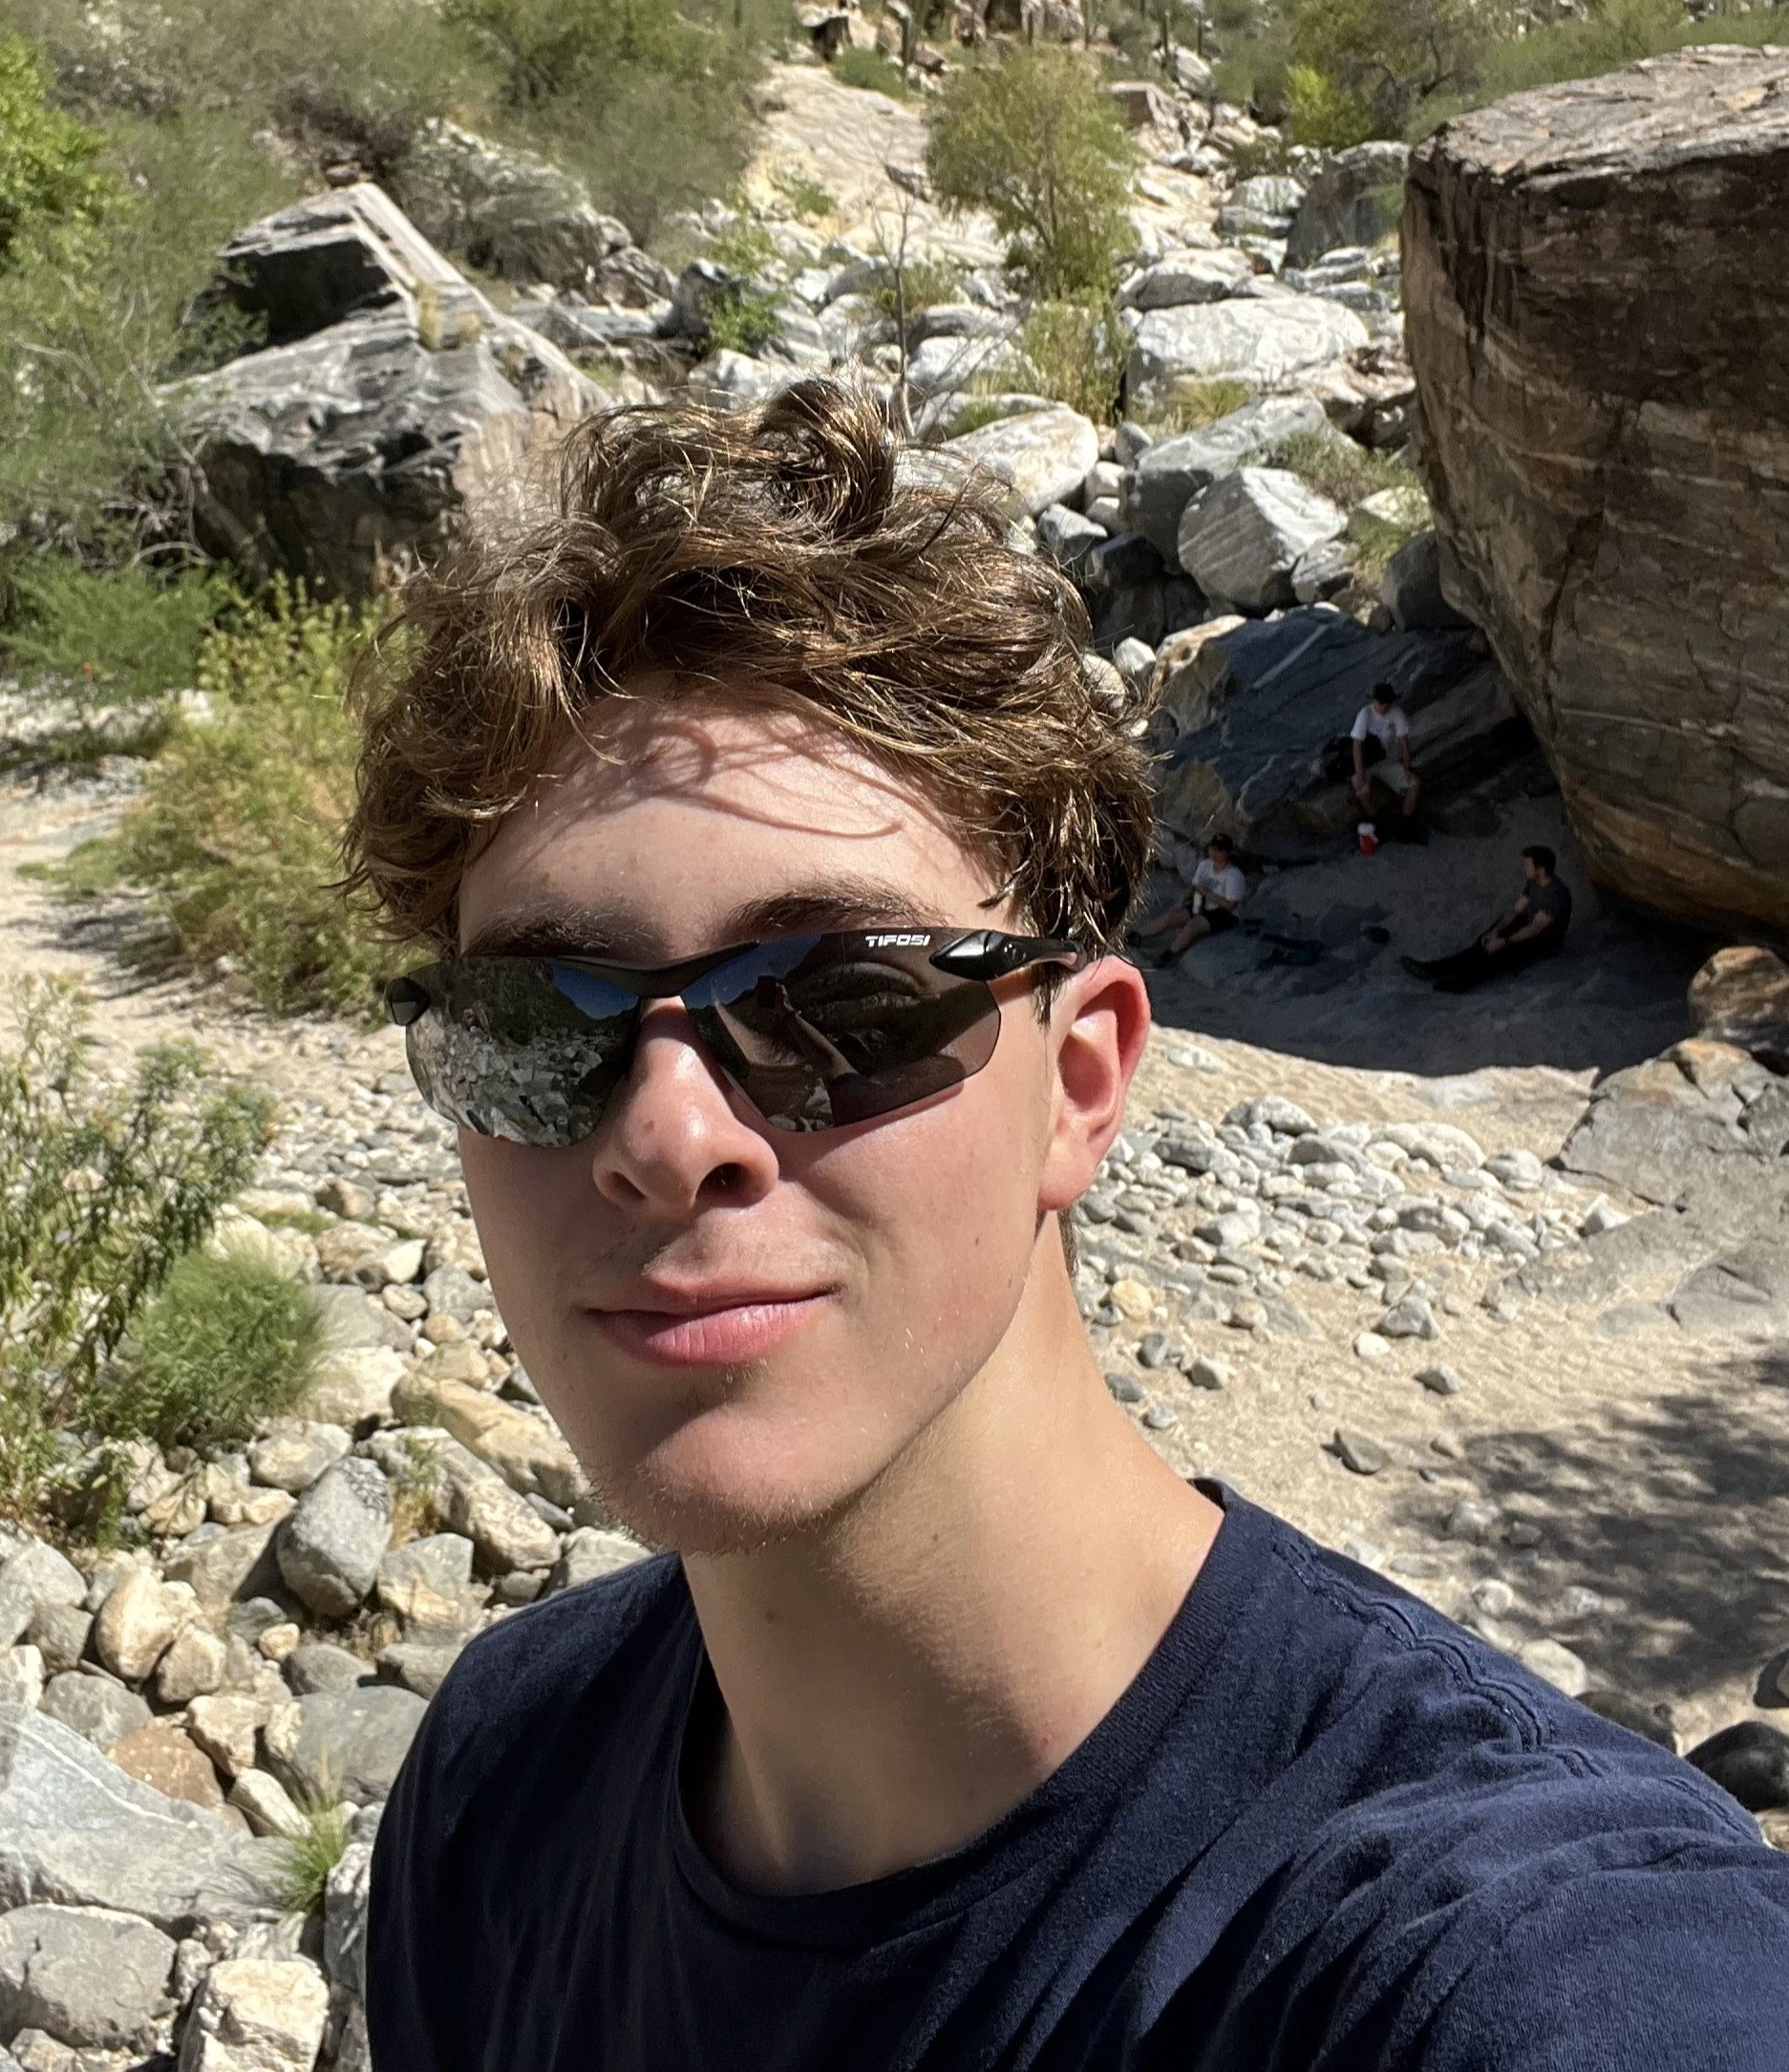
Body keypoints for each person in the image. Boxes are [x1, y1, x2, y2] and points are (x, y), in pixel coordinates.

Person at [345, 384, 1789, 2070]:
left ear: (1082, 1078)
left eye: (846, 999)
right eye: (538, 1024)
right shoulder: (497, 1788)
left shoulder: (1497, 1960)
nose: (665, 1136)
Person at [1400, 844, 1575, 993]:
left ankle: (1462, 982)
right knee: (1484, 943)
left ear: (1541, 870)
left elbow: (1536, 928)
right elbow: (1515, 911)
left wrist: (1504, 941)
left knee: (1499, 954)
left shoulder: (1555, 895)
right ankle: (1434, 969)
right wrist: (1495, 932)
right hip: (1530, 925)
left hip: (1544, 942)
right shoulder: (1534, 882)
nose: (1524, 867)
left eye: (1527, 865)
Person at [1134, 832, 1245, 964]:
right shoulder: (1205, 865)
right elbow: (1193, 887)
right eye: (1213, 848)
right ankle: (1139, 935)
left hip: (1224, 913)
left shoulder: (1233, 875)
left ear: (1227, 853)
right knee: (1173, 916)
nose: (1214, 853)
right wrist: (1180, 902)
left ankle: (1168, 954)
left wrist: (1208, 894)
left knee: (1193, 925)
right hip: (1203, 904)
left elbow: (1231, 905)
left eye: (1219, 850)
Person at [1350, 680, 1420, 826]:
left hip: (1385, 760)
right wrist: (1360, 774)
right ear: (1375, 701)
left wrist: (1407, 768)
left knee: (1414, 784)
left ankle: (1405, 822)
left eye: (1387, 703)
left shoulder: (1396, 713)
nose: (1384, 706)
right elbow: (1357, 746)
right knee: (1361, 788)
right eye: (1381, 703)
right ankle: (1376, 820)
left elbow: (1403, 742)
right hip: (1366, 761)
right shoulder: (1365, 714)